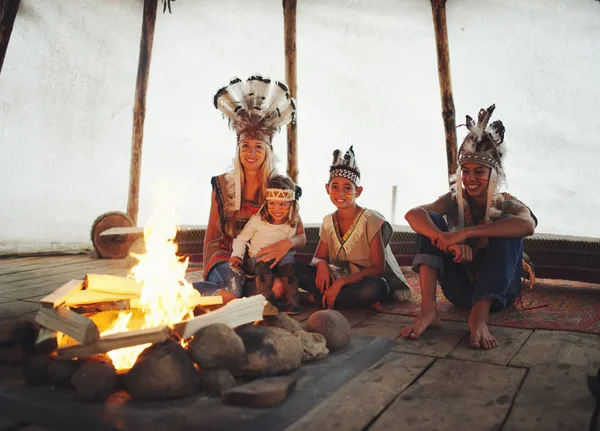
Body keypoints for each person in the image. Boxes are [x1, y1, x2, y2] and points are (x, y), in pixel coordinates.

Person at [400, 104, 537, 349]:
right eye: (466, 171)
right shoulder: (454, 201)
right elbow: (413, 214)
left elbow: (527, 225)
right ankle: (429, 310)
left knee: (508, 227)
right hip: (460, 292)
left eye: (479, 172)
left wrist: (465, 233)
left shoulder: (507, 203)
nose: (471, 179)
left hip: (501, 295)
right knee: (429, 220)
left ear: (493, 174)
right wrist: (447, 239)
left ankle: (479, 316)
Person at [193, 76, 307, 302]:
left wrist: (286, 244)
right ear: (238, 149)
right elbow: (211, 235)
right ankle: (173, 293)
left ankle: (230, 295)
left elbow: (301, 235)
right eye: (245, 146)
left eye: (258, 146)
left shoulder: (280, 186)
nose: (251, 152)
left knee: (277, 290)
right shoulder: (223, 185)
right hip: (228, 257)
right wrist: (210, 267)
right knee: (232, 289)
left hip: (259, 261)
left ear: (268, 151)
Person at [296, 146, 411, 309]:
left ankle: (318, 298)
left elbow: (378, 268)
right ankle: (340, 299)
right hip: (339, 277)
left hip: (363, 281)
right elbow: (317, 258)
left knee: (377, 288)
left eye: (347, 187)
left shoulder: (370, 219)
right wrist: (322, 265)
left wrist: (341, 283)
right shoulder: (328, 222)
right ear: (327, 189)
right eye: (334, 186)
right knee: (295, 269)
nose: (340, 193)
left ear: (358, 191)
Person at [230, 175, 302, 313]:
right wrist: (237, 256)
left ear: (291, 204)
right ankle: (264, 302)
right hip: (256, 261)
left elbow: (294, 243)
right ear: (266, 203)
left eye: (283, 204)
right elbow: (241, 239)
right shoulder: (257, 220)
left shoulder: (292, 223)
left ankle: (293, 301)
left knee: (288, 260)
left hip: (279, 262)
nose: (277, 209)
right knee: (262, 261)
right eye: (272, 204)